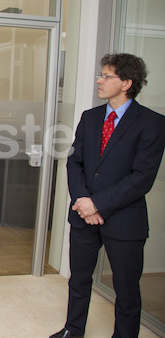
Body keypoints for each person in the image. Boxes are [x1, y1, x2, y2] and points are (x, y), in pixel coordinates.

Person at [49, 53, 165, 338]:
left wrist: (97, 204)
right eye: (100, 75)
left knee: (126, 289)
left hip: (124, 221)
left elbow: (142, 178)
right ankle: (73, 329)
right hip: (82, 217)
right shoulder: (90, 118)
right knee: (79, 280)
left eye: (106, 76)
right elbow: (75, 162)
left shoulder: (152, 123)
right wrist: (83, 202)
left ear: (126, 83)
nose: (99, 81)